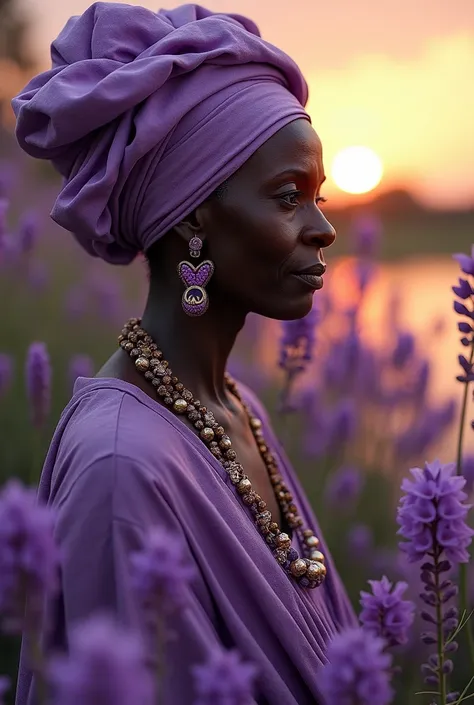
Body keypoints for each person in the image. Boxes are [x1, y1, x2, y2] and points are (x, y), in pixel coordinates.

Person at [12, 3, 356, 703]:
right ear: (195, 212)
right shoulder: (121, 467)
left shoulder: (237, 405)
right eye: (289, 197)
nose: (323, 230)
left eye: (320, 196)